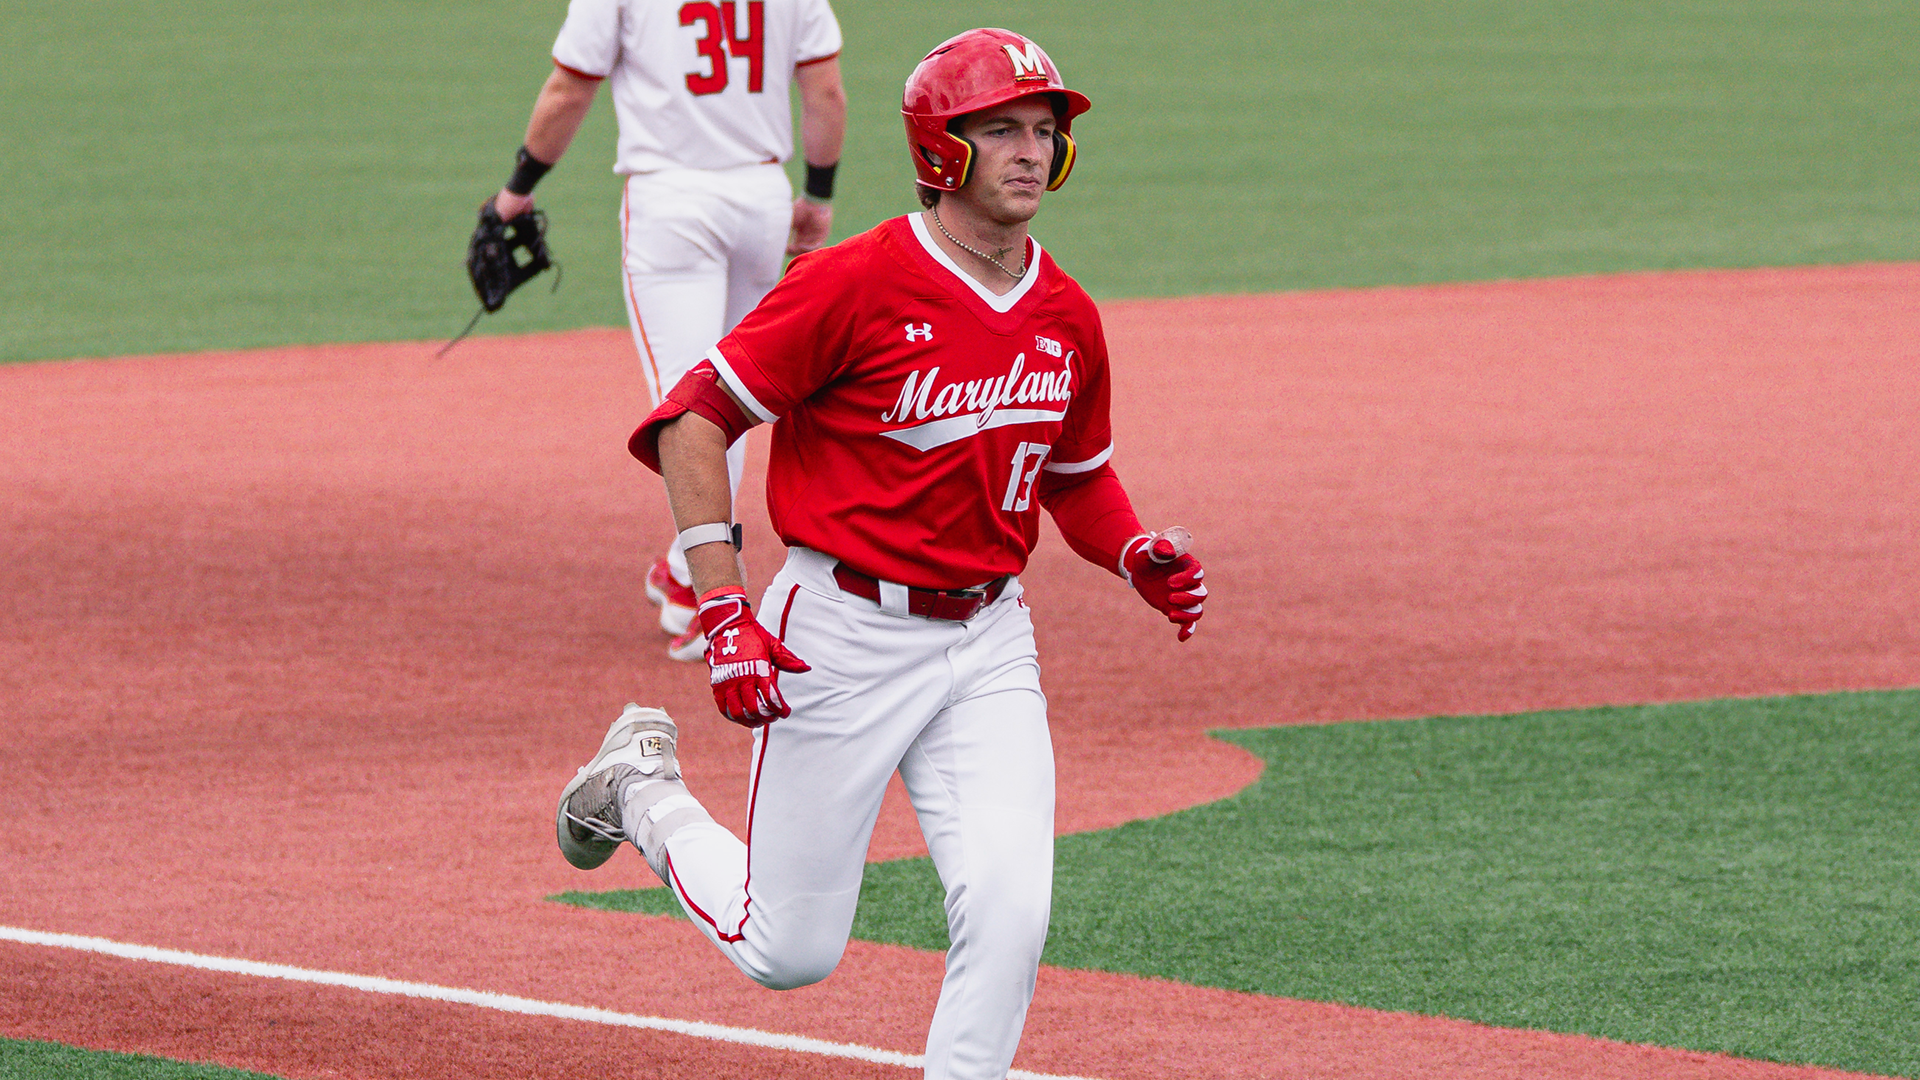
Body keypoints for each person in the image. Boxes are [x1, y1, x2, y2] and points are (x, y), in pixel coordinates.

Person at [553, 28, 1207, 1080]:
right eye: (1001, 130)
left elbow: (1076, 476)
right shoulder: (851, 282)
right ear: (942, 150)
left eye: (1044, 131)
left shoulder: (1066, 314)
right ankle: (642, 790)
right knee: (789, 950)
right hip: (839, 634)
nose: (1031, 151)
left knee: (1009, 910)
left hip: (990, 639)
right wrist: (723, 608)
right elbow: (692, 420)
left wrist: (1132, 551)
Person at [486, 0, 848, 660]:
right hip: (761, 199)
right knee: (734, 392)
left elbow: (569, 89)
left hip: (671, 204)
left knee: (694, 408)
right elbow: (824, 90)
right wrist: (817, 197)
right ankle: (686, 570)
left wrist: (516, 191)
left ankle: (704, 596)